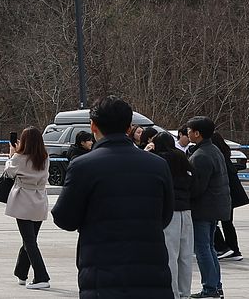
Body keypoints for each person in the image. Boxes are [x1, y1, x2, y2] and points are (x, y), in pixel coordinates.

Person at [50, 96, 173, 298]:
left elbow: (65, 218)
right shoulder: (157, 165)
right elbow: (165, 216)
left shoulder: (83, 166)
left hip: (102, 272)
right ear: (129, 128)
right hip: (151, 270)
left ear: (93, 126)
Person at [186, 116, 231, 298]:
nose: (187, 133)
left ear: (197, 133)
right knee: (209, 248)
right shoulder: (213, 150)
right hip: (214, 207)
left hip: (204, 208)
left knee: (203, 249)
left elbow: (197, 187)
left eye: (189, 131)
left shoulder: (201, 156)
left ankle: (210, 288)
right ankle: (215, 286)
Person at [4, 126, 51, 289]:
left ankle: (41, 276)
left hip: (23, 199)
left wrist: (12, 154)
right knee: (30, 239)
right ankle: (21, 273)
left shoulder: (19, 157)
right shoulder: (45, 158)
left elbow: (8, 172)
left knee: (29, 241)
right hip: (40, 200)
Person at [150, 131, 194, 299]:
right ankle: (185, 293)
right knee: (185, 256)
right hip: (186, 210)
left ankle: (173, 293)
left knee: (170, 255)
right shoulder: (182, 158)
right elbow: (194, 181)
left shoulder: (158, 160)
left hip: (169, 212)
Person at [211, 132, 248, 262]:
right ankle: (233, 249)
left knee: (213, 222)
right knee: (227, 223)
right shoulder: (225, 155)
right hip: (230, 195)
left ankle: (223, 248)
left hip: (225, 195)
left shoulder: (217, 157)